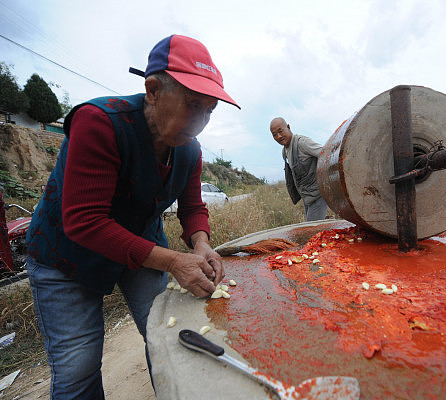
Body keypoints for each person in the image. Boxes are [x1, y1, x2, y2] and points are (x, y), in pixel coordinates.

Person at [25, 34, 239, 399]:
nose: (201, 120)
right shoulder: (100, 123)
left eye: (209, 109)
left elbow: (192, 208)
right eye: (192, 104)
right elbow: (85, 222)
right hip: (65, 255)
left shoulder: (190, 151)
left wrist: (201, 244)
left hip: (140, 247)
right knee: (78, 367)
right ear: (153, 90)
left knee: (169, 338)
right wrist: (174, 261)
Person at [270, 117, 328, 221]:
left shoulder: (302, 143)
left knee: (312, 231)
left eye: (280, 131)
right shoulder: (285, 152)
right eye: (274, 134)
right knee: (312, 229)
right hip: (307, 197)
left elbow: (326, 154)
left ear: (288, 127)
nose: (279, 136)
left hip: (318, 195)